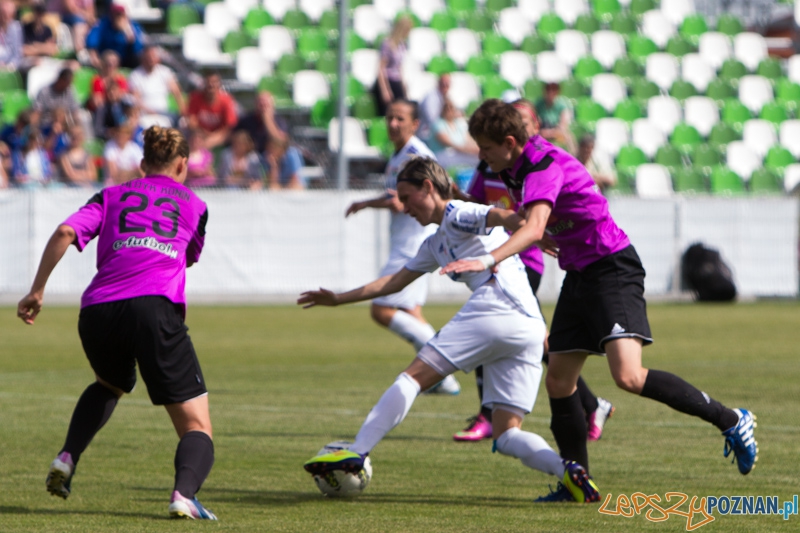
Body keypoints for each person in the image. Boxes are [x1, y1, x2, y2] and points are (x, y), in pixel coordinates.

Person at [441, 99, 758, 500]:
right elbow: (532, 220)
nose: (481, 156)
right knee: (558, 380)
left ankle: (730, 419)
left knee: (628, 376)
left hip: (611, 269)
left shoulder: (540, 165)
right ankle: (577, 483)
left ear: (508, 141)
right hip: (580, 273)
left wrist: (487, 259)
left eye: (485, 148)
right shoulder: (514, 165)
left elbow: (534, 224)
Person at [299, 157, 600, 504]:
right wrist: (339, 298)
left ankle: (358, 450)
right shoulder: (435, 243)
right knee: (505, 434)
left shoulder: (457, 212)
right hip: (529, 326)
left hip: (495, 307)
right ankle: (568, 471)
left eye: (406, 196)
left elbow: (498, 215)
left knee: (412, 378)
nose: (402, 205)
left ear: (428, 187)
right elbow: (393, 282)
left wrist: (531, 229)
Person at [17, 125, 217, 520]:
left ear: (142, 165)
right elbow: (189, 256)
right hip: (154, 307)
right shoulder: (195, 204)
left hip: (98, 311)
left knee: (109, 383)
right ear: (182, 164)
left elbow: (64, 232)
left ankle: (67, 457)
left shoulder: (109, 195)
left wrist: (37, 291)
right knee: (197, 425)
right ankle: (183, 495)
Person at [455, 99, 614, 443]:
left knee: (488, 324)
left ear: (532, 129)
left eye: (526, 122)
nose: (522, 128)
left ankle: (488, 415)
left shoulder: (540, 165)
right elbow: (479, 207)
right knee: (539, 340)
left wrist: (497, 254)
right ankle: (592, 403)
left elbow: (536, 221)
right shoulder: (491, 165)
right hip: (501, 255)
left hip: (523, 260)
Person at [344, 99, 459, 395]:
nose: (393, 123)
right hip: (412, 239)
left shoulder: (416, 156)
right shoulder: (401, 155)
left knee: (381, 309)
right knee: (410, 310)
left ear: (415, 124)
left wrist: (366, 203)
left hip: (414, 241)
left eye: (400, 118)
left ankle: (446, 369)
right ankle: (441, 378)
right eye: (389, 117)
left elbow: (399, 201)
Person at [129, 45, 185, 125]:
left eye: (153, 57)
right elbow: (136, 99)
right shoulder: (135, 75)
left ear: (158, 59)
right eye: (148, 57)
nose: (151, 59)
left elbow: (176, 92)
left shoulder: (165, 72)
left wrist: (182, 111)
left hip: (164, 112)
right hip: (144, 113)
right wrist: (150, 111)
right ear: (143, 59)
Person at [186, 70, 238, 150]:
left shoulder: (226, 100)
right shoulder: (195, 98)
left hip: (220, 135)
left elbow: (229, 126)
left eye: (214, 82)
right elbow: (192, 121)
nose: (211, 85)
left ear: (219, 84)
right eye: (208, 82)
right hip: (199, 132)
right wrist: (203, 133)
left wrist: (212, 138)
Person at [85, 4, 145, 70]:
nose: (118, 18)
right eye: (116, 15)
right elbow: (91, 40)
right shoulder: (102, 24)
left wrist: (129, 34)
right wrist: (94, 55)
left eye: (120, 15)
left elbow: (139, 48)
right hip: (106, 58)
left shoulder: (133, 26)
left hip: (126, 59)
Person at [374, 16, 412, 116]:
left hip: (397, 81)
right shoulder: (387, 44)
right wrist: (385, 90)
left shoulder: (402, 45)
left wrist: (403, 84)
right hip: (388, 80)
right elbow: (381, 68)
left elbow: (399, 67)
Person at [427, 98, 479, 170]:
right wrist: (469, 150)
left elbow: (468, 140)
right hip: (442, 155)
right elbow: (449, 143)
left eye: (451, 107)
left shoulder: (459, 123)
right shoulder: (437, 124)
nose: (448, 109)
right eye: (446, 107)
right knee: (475, 159)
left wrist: (477, 148)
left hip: (459, 153)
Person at [534, 83, 575, 153]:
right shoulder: (538, 104)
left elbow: (563, 126)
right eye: (548, 89)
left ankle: (574, 157)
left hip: (556, 132)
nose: (551, 92)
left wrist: (550, 132)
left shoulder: (562, 105)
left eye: (554, 89)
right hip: (541, 131)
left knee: (568, 137)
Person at [22, 2, 58, 70]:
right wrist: (44, 47)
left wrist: (35, 46)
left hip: (44, 60)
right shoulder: (25, 28)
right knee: (37, 63)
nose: (40, 16)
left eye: (42, 13)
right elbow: (24, 50)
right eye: (38, 13)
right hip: (28, 61)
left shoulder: (47, 29)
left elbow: (52, 50)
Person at [418, 73, 450, 143]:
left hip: (435, 133)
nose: (445, 86)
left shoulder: (444, 97)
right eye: (443, 83)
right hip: (425, 135)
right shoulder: (431, 98)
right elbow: (432, 120)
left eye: (447, 84)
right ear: (438, 83)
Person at [0, 1, 23, 70]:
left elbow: (17, 55)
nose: (5, 16)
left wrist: (9, 66)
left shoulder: (16, 28)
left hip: (9, 67)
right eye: (3, 13)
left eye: (8, 14)